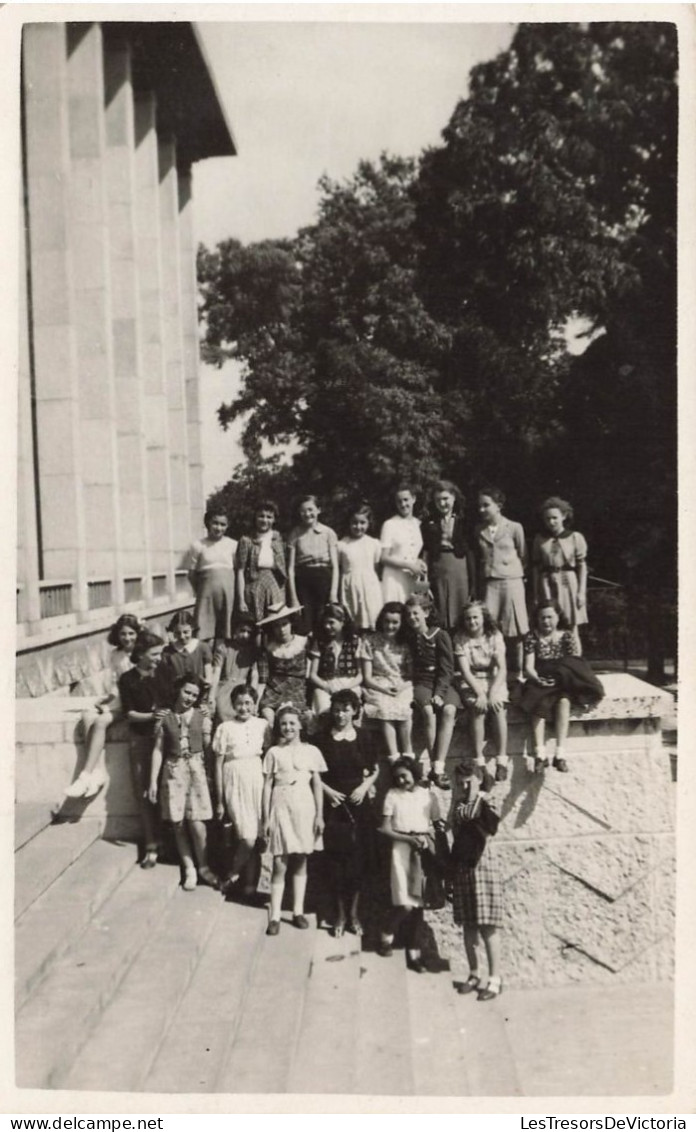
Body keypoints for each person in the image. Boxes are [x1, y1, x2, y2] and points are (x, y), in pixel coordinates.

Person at [148, 675, 219, 892]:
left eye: (195, 695)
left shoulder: (202, 716)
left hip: (196, 770)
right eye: (187, 692)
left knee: (197, 822)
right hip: (173, 770)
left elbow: (208, 749)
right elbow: (158, 750)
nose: (190, 698)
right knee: (178, 822)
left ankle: (204, 866)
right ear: (178, 690)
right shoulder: (165, 717)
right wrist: (152, 781)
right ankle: (189, 867)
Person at [317, 689, 378, 937]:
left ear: (354, 710)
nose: (340, 714)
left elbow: (374, 769)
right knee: (335, 864)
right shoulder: (322, 739)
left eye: (346, 709)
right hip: (333, 807)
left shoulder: (363, 737)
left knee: (358, 864)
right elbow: (313, 774)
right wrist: (328, 792)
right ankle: (339, 915)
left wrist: (364, 787)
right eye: (337, 709)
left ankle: (354, 915)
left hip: (359, 806)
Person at [262, 704, 327, 936]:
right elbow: (267, 786)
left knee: (301, 859)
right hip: (281, 805)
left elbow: (317, 785)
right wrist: (266, 818)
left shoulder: (312, 751)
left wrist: (319, 815)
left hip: (304, 807)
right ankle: (276, 915)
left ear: (300, 725)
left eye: (292, 723)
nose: (288, 727)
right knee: (280, 862)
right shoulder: (274, 753)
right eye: (283, 724)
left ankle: (298, 911)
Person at [519, 600, 604, 773]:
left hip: (563, 679)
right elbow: (528, 667)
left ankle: (560, 754)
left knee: (564, 702)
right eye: (542, 618)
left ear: (558, 617)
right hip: (540, 678)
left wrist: (561, 678)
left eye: (550, 617)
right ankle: (540, 755)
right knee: (538, 704)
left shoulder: (566, 636)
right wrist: (538, 680)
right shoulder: (532, 636)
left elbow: (575, 664)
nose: (546, 622)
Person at [64, 613, 141, 799]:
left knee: (101, 721)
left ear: (138, 633)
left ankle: (84, 776)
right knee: (87, 716)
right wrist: (108, 698)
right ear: (117, 635)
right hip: (120, 699)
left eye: (131, 633)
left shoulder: (142, 652)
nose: (127, 638)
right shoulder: (115, 655)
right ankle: (95, 772)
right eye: (123, 634)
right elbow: (117, 683)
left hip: (135, 702)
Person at [377, 759, 444, 972]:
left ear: (415, 773)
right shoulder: (392, 795)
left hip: (422, 850)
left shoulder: (427, 795)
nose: (401, 780)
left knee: (419, 905)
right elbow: (384, 829)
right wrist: (407, 839)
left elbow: (437, 823)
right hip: (401, 849)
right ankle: (386, 934)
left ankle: (414, 954)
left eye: (405, 775)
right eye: (397, 777)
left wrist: (433, 840)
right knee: (405, 903)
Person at [450, 757, 504, 1001]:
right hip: (464, 867)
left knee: (488, 925)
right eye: (460, 783)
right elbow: (455, 823)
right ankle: (474, 973)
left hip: (484, 867)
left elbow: (474, 816)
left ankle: (495, 979)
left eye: (468, 782)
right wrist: (459, 795)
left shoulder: (488, 800)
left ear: (479, 781)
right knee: (469, 925)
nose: (463, 788)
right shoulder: (459, 803)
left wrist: (477, 790)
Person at [212, 684, 270, 901]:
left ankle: (248, 885)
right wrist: (219, 800)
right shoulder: (225, 728)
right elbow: (217, 765)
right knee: (246, 837)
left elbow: (269, 755)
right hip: (234, 779)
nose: (244, 707)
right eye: (239, 703)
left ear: (254, 704)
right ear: (233, 705)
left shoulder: (263, 725)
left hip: (257, 778)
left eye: (248, 703)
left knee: (255, 835)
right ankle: (232, 875)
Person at [118, 630, 168, 868]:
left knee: (165, 792)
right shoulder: (127, 680)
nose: (159, 658)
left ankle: (169, 844)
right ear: (141, 654)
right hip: (140, 741)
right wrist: (152, 715)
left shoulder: (163, 674)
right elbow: (129, 714)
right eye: (155, 653)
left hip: (164, 740)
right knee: (145, 794)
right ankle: (151, 845)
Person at [405, 592, 458, 789]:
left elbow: (447, 668)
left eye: (416, 613)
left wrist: (440, 693)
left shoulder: (439, 635)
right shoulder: (408, 638)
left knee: (449, 710)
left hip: (442, 683)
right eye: (409, 614)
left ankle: (437, 766)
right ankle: (437, 766)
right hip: (421, 683)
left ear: (426, 612)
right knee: (427, 711)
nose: (412, 618)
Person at [476, 486, 529, 679]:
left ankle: (519, 672)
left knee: (515, 629)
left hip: (512, 582)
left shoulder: (514, 527)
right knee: (490, 628)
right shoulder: (479, 530)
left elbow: (523, 555)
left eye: (486, 505)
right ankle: (495, 671)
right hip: (491, 584)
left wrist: (512, 572)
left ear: (498, 506)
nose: (482, 510)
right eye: (479, 506)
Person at [453, 601, 509, 782]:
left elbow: (502, 668)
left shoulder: (494, 636)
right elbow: (465, 671)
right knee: (478, 709)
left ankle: (501, 760)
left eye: (475, 617)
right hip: (472, 681)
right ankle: (479, 760)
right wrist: (480, 694)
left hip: (493, 679)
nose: (472, 622)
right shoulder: (460, 638)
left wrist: (492, 693)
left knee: (498, 708)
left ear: (483, 618)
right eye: (468, 618)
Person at [360, 601, 415, 763]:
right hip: (377, 684)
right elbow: (367, 677)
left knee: (404, 707)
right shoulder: (369, 641)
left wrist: (401, 687)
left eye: (395, 622)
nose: (390, 626)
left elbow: (412, 675)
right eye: (387, 622)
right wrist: (384, 690)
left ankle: (408, 754)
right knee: (384, 707)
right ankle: (394, 756)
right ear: (381, 621)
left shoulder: (406, 642)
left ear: (401, 623)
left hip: (402, 683)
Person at [533, 496, 588, 652]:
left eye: (555, 518)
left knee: (571, 625)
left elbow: (582, 565)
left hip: (568, 582)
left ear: (563, 516)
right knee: (549, 625)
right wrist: (537, 594)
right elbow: (536, 568)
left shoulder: (575, 537)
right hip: (547, 583)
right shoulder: (540, 540)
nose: (551, 522)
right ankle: (552, 662)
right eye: (548, 519)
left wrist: (581, 592)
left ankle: (576, 663)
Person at [421, 480, 476, 631]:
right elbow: (426, 552)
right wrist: (425, 581)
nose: (442, 503)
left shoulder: (465, 521)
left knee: (460, 607)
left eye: (445, 499)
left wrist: (473, 582)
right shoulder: (428, 523)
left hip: (459, 567)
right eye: (438, 500)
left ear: (454, 498)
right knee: (440, 608)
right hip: (438, 566)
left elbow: (470, 552)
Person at [287, 495, 339, 637]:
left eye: (310, 509)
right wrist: (293, 597)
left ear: (319, 510)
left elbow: (335, 566)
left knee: (325, 622)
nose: (307, 514)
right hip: (303, 582)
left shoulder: (328, 533)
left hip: (324, 579)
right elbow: (290, 569)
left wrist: (333, 593)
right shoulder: (295, 534)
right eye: (303, 511)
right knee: (304, 624)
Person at [185, 509, 237, 643]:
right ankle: (206, 661)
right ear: (207, 523)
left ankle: (222, 662)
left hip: (228, 594)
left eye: (223, 524)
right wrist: (200, 591)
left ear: (228, 525)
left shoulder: (233, 544)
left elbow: (237, 570)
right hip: (206, 595)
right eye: (215, 523)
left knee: (225, 632)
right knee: (204, 632)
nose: (218, 528)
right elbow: (191, 574)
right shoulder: (198, 545)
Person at [256, 602, 309, 729]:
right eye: (276, 626)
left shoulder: (304, 643)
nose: (281, 630)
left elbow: (310, 674)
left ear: (291, 623)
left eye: (284, 624)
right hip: (274, 692)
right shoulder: (268, 649)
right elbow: (263, 680)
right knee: (268, 718)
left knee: (303, 720)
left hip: (298, 691)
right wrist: (256, 703)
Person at [235, 500, 287, 623]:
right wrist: (241, 599)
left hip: (275, 584)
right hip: (254, 585)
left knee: (277, 620)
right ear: (255, 517)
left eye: (269, 517)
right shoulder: (246, 540)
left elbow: (285, 568)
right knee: (256, 623)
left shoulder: (279, 538)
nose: (264, 520)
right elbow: (240, 571)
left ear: (274, 519)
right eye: (261, 516)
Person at [308, 602, 362, 716]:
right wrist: (327, 687)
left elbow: (360, 675)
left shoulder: (355, 641)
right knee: (325, 708)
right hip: (326, 684)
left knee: (347, 708)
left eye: (331, 622)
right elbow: (312, 675)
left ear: (343, 622)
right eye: (325, 623)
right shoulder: (320, 642)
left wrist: (347, 687)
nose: (327, 626)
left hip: (349, 683)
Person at [337, 502, 383, 631]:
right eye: (354, 523)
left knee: (371, 618)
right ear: (349, 523)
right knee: (352, 622)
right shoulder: (341, 545)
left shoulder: (374, 543)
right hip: (350, 587)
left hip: (370, 587)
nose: (358, 526)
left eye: (362, 523)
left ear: (369, 523)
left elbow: (377, 568)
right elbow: (339, 568)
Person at [379, 484, 427, 604]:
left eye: (406, 500)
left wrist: (420, 564)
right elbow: (384, 558)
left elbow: (420, 554)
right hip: (394, 578)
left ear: (414, 499)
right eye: (399, 501)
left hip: (414, 578)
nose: (403, 504)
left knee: (415, 609)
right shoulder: (389, 524)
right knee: (396, 610)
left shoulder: (419, 524)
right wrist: (409, 565)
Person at [159, 610, 214, 709]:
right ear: (173, 631)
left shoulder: (202, 647)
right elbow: (165, 677)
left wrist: (208, 680)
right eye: (178, 633)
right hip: (177, 697)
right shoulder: (168, 652)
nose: (182, 636)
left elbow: (208, 668)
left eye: (186, 632)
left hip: (198, 694)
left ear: (192, 629)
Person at [211, 614, 260, 724]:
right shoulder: (224, 647)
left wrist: (253, 698)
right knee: (224, 718)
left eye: (249, 632)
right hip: (224, 689)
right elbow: (216, 673)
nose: (245, 635)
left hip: (242, 691)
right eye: (242, 631)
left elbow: (254, 676)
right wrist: (211, 696)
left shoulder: (253, 651)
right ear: (235, 630)